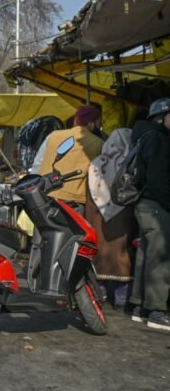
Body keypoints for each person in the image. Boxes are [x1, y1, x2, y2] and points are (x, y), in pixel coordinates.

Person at [129, 97, 170, 331]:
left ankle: (140, 306)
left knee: (146, 256)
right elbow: (159, 179)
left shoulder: (144, 136)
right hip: (156, 205)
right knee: (160, 258)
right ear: (162, 117)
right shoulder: (158, 139)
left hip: (145, 204)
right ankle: (156, 310)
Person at [86, 129, 136, 309]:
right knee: (122, 255)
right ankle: (121, 299)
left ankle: (100, 294)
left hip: (98, 219)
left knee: (100, 255)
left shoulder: (95, 164)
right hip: (122, 218)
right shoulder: (129, 163)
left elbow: (89, 198)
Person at [37, 105, 104, 207]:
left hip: (45, 194)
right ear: (91, 123)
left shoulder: (53, 136)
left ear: (76, 120)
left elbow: (38, 164)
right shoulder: (99, 143)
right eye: (98, 122)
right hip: (74, 200)